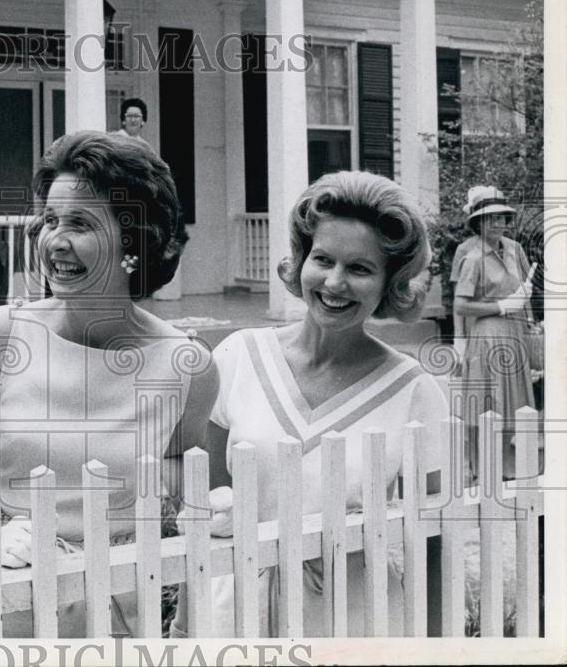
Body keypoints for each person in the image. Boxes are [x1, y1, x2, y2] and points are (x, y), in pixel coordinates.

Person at [0, 132, 218, 636]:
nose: (55, 241)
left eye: (81, 225)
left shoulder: (187, 364)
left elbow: (181, 467)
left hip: (111, 611)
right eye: (50, 221)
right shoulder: (1, 333)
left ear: (134, 241)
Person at [173, 170, 448, 637]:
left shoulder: (415, 392)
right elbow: (208, 511)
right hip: (235, 616)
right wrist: (184, 627)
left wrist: (436, 648)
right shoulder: (238, 357)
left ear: (389, 283)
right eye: (323, 259)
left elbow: (432, 543)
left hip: (354, 619)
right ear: (301, 260)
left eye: (360, 269)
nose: (335, 283)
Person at [451, 185, 535, 478]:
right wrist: (459, 339)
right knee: (488, 401)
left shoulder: (515, 249)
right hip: (486, 334)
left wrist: (530, 327)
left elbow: (524, 295)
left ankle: (513, 469)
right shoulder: (471, 256)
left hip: (514, 333)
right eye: (490, 219)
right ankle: (484, 468)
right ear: (477, 223)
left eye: (502, 218)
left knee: (517, 402)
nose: (498, 224)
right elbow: (460, 305)